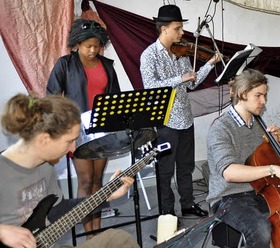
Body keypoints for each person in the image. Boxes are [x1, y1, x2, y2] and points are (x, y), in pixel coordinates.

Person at [0, 94, 137, 248]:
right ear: (45, 139)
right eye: (69, 141)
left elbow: (57, 211)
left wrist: (107, 195)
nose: (73, 148)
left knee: (118, 239)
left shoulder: (46, 168)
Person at [140, 4, 221, 217]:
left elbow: (191, 84)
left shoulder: (181, 52)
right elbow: (150, 87)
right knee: (165, 170)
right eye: (177, 28)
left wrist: (210, 64)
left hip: (186, 118)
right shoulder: (149, 55)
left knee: (186, 167)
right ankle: (167, 212)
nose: (182, 32)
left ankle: (187, 204)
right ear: (163, 29)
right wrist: (179, 78)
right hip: (165, 121)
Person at [207, 69, 280, 247]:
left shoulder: (258, 123)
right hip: (229, 196)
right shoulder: (220, 128)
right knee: (260, 229)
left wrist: (279, 145)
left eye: (264, 96)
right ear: (242, 94)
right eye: (258, 95)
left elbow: (264, 161)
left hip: (261, 189)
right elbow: (229, 172)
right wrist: (273, 169)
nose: (264, 102)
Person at [46, 19, 121, 235]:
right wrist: (63, 129)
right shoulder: (65, 64)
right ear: (77, 44)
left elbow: (114, 98)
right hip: (78, 132)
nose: (92, 50)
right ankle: (90, 236)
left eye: (96, 45)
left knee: (98, 181)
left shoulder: (107, 65)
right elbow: (51, 97)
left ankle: (97, 230)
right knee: (86, 182)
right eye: (88, 45)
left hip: (102, 129)